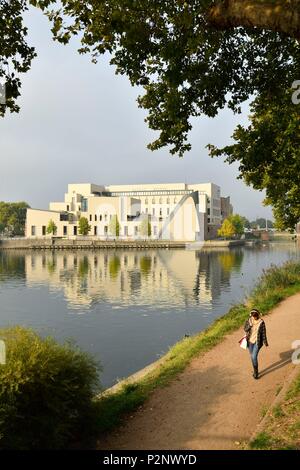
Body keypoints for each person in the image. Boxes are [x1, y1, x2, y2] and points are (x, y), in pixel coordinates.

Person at [244, 309, 268, 379]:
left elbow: (263, 333)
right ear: (251, 315)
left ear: (258, 315)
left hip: (258, 342)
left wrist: (265, 342)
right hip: (250, 342)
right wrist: (250, 326)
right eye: (253, 316)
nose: (254, 317)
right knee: (252, 356)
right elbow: (245, 329)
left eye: (255, 316)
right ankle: (255, 370)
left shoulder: (261, 322)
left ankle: (256, 373)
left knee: (254, 356)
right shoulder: (249, 321)